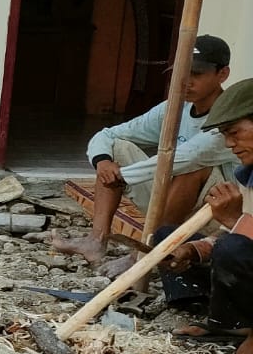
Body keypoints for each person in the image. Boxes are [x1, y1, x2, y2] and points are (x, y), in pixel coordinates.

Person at [51, 35, 235, 266]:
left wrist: (122, 176)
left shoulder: (231, 117)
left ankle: (144, 254)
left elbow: (188, 157)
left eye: (196, 74)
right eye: (182, 72)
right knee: (116, 150)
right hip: (171, 200)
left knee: (192, 168)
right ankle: (96, 241)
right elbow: (108, 134)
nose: (186, 81)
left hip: (218, 214)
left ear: (222, 74)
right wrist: (103, 162)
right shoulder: (174, 107)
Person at [162, 78, 253, 354]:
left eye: (235, 133)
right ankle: (229, 325)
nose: (229, 144)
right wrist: (197, 249)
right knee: (169, 237)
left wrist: (233, 220)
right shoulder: (248, 174)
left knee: (233, 249)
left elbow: (240, 239)